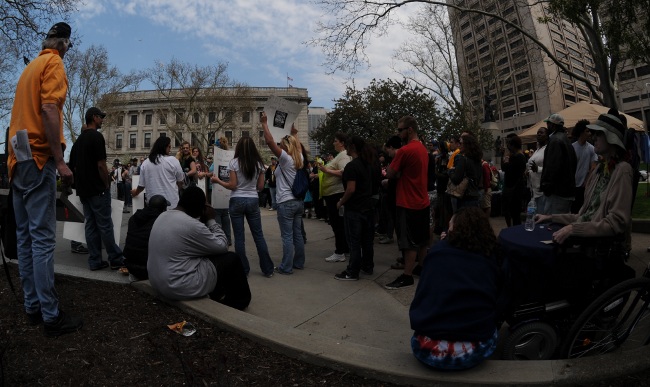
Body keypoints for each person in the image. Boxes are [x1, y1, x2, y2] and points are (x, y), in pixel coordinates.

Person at [7, 22, 83, 336]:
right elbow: (50, 108)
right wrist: (59, 160)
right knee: (41, 240)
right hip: (38, 157)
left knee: (24, 238)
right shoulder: (54, 63)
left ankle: (32, 307)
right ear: (64, 44)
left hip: (17, 160)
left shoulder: (29, 69)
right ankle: (51, 316)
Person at [409, 207, 500, 370]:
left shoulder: (437, 253)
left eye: (450, 225)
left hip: (427, 351)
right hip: (473, 351)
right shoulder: (491, 256)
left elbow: (422, 297)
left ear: (455, 229)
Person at [147, 187, 251, 310]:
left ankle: (216, 293)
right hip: (177, 286)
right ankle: (238, 302)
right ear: (199, 207)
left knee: (209, 256)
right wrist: (211, 220)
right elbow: (223, 245)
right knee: (231, 259)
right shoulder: (190, 224)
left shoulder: (163, 216)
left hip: (157, 282)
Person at [536, 114, 633, 244]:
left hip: (596, 250)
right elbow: (583, 216)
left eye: (599, 134)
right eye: (593, 133)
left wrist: (573, 229)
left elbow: (616, 222)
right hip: (584, 241)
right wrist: (550, 217)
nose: (593, 137)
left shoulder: (622, 170)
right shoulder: (599, 170)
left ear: (612, 138)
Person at [69, 107, 125, 271]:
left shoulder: (78, 142)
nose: (102, 120)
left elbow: (72, 166)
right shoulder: (96, 137)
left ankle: (95, 260)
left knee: (91, 225)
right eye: (101, 117)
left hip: (84, 190)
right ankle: (115, 258)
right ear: (94, 118)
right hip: (97, 189)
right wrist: (106, 183)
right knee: (105, 225)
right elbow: (101, 164)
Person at [211, 136, 275, 278]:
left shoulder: (234, 163)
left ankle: (243, 269)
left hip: (237, 200)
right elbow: (260, 186)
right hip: (252, 200)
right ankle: (267, 269)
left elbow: (232, 185)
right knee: (258, 235)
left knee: (239, 238)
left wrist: (218, 180)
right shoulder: (258, 164)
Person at [384, 116, 430, 289]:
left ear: (409, 130)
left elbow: (389, 173)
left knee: (408, 241)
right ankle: (421, 267)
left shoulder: (404, 151)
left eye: (400, 130)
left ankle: (407, 275)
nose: (398, 133)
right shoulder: (422, 149)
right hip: (422, 199)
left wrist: (396, 172)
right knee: (423, 239)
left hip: (407, 201)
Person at [261, 113, 305, 274]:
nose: (279, 145)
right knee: (297, 234)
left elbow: (269, 141)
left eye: (282, 144)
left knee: (287, 236)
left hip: (286, 202)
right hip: (298, 202)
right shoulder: (299, 157)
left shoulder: (286, 159)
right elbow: (298, 146)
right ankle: (299, 262)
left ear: (286, 147)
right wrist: (294, 133)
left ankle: (286, 267)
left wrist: (265, 124)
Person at [334, 136, 380, 280]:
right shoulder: (368, 163)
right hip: (368, 207)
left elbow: (351, 189)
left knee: (354, 241)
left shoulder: (352, 166)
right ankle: (367, 266)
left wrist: (341, 201)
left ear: (352, 147)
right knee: (367, 241)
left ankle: (352, 271)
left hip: (355, 208)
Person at [318, 132, 352, 262]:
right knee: (339, 224)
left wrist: (327, 171)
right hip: (332, 194)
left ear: (342, 143)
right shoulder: (340, 155)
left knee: (337, 224)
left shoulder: (343, 156)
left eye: (335, 141)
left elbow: (344, 172)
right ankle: (345, 248)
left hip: (335, 195)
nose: (334, 143)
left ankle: (340, 251)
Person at [123, 195, 169, 280]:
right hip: (150, 269)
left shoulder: (134, 218)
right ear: (163, 209)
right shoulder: (161, 222)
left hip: (130, 265)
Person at [131, 136, 185, 209]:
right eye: (169, 147)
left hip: (153, 205)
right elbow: (180, 181)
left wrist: (136, 192)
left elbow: (141, 185)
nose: (170, 150)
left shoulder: (145, 163)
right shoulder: (173, 161)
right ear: (164, 147)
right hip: (171, 203)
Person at [540, 113, 577, 214]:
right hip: (565, 191)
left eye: (548, 124)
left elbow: (552, 168)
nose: (547, 127)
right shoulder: (565, 139)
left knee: (553, 225)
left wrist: (546, 187)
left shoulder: (555, 141)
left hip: (557, 193)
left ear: (553, 125)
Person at [448, 133, 482, 212]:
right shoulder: (477, 160)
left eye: (460, 143)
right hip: (475, 197)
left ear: (467, 145)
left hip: (464, 198)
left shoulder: (463, 159)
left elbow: (456, 179)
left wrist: (450, 171)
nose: (458, 145)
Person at [571, 119, 598, 213]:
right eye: (587, 131)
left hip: (584, 186)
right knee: (573, 211)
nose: (590, 133)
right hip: (572, 186)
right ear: (581, 132)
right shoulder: (572, 148)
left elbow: (593, 167)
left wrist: (587, 181)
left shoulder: (592, 149)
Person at [209, 138, 232, 245]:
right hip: (226, 190)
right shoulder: (228, 158)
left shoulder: (217, 160)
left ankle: (220, 239)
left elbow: (213, 173)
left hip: (218, 190)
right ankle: (228, 239)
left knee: (218, 215)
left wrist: (205, 174)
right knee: (225, 214)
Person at [501, 134, 527, 226]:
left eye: (509, 144)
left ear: (513, 145)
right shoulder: (514, 156)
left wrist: (507, 162)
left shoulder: (519, 157)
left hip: (515, 190)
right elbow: (504, 168)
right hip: (513, 188)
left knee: (515, 214)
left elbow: (510, 171)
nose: (507, 146)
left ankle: (515, 232)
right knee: (511, 212)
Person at [526, 127, 549, 213]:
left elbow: (551, 169)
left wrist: (538, 169)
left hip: (542, 192)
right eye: (538, 132)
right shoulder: (537, 150)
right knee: (533, 217)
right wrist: (528, 172)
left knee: (541, 218)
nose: (538, 134)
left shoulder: (547, 149)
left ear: (547, 136)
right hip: (533, 191)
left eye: (541, 133)